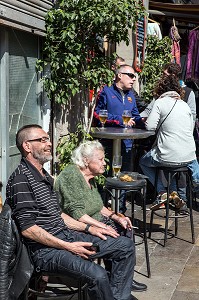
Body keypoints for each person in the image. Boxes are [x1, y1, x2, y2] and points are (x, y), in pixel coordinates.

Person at [5, 124, 136, 300]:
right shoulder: (20, 179)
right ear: (27, 146)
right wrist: (68, 247)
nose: (49, 143)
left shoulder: (44, 176)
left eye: (48, 139)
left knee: (124, 246)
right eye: (42, 140)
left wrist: (89, 229)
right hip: (45, 252)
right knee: (97, 275)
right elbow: (28, 229)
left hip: (66, 235)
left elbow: (58, 215)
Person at [54, 140, 147, 292]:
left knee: (126, 227)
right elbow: (78, 215)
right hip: (77, 228)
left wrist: (116, 217)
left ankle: (121, 278)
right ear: (86, 160)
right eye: (101, 159)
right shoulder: (71, 176)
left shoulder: (90, 178)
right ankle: (118, 284)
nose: (104, 163)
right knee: (118, 239)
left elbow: (98, 206)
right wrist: (104, 226)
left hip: (94, 220)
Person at [140, 63, 197, 212]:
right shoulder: (184, 105)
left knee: (143, 161)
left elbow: (150, 127)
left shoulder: (159, 102)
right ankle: (173, 195)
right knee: (170, 165)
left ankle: (162, 192)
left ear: (160, 88)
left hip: (168, 156)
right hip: (189, 157)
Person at [94, 64, 145, 213]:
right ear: (119, 75)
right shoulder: (106, 92)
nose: (134, 79)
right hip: (108, 143)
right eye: (130, 75)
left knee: (123, 177)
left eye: (134, 76)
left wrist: (146, 124)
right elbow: (98, 114)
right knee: (104, 177)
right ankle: (103, 210)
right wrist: (120, 120)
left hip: (126, 143)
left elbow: (135, 115)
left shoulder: (131, 95)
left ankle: (120, 211)